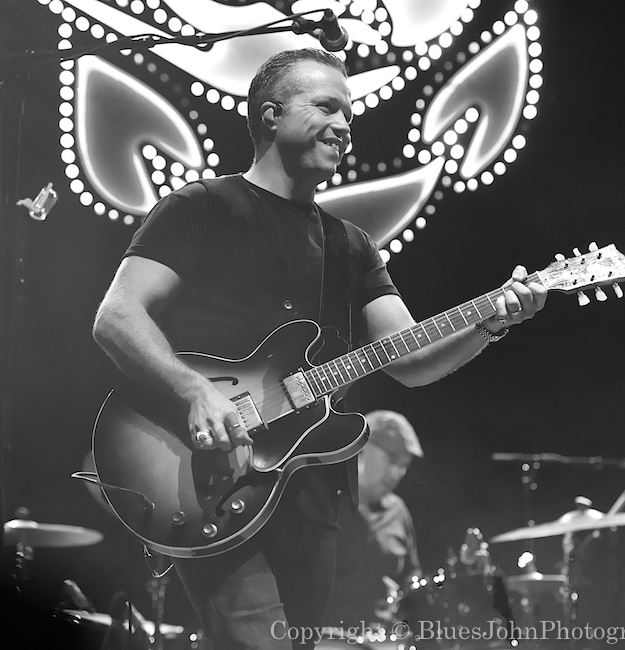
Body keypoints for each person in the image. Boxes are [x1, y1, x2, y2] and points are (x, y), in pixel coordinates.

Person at [92, 47, 547, 649]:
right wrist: (193, 390)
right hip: (208, 477)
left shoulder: (350, 245)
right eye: (327, 106)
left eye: (350, 115)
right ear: (271, 115)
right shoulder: (200, 207)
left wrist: (492, 320)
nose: (345, 126)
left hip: (309, 495)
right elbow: (117, 316)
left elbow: (408, 358)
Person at [325, 410, 424, 631]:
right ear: (363, 447)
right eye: (393, 459)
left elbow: (411, 577)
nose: (397, 472)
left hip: (383, 638)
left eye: (404, 465)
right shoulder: (325, 503)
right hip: (325, 639)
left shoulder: (398, 511)